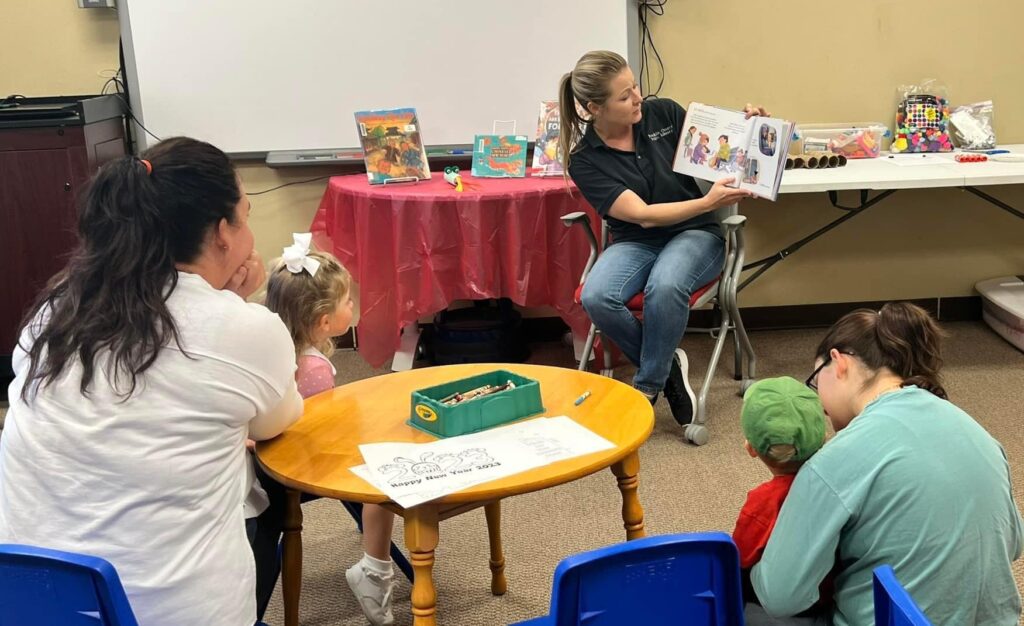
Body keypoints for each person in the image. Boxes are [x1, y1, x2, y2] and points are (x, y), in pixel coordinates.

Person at [0, 137, 303, 625]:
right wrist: (233, 306)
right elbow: (276, 421)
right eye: (245, 216)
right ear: (223, 234)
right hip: (168, 613)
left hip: (34, 606)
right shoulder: (245, 329)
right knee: (260, 490)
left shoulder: (54, 311)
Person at [749, 302, 1024, 626]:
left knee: (744, 607)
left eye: (814, 380)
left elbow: (781, 597)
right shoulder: (979, 434)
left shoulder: (835, 460)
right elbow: (1014, 542)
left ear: (838, 363)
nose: (819, 402)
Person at [557, 50, 766, 426]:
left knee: (666, 285)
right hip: (636, 239)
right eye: (624, 96)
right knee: (595, 295)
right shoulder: (585, 159)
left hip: (696, 233)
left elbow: (724, 148)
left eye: (634, 86)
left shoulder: (664, 113)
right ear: (594, 108)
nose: (638, 98)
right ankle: (668, 367)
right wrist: (707, 200)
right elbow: (643, 217)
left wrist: (749, 127)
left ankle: (648, 386)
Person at [254, 238, 398, 626]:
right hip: (300, 466)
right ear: (322, 321)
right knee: (382, 479)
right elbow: (323, 433)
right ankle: (374, 570)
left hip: (270, 461)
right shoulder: (313, 370)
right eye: (347, 302)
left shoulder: (273, 351)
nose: (352, 306)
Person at [732, 377, 831, 617]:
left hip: (788, 603)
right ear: (824, 436)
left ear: (750, 448)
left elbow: (739, 557)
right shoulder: (836, 482)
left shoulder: (763, 502)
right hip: (830, 586)